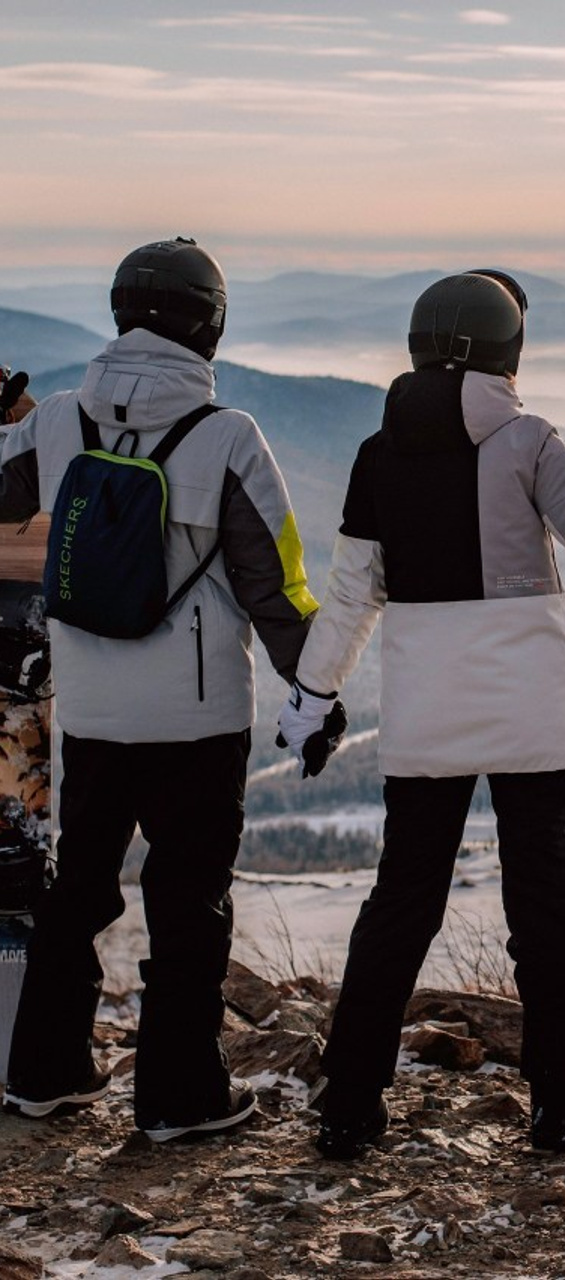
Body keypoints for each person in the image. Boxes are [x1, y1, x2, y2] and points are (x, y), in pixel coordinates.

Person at [276, 270, 565, 1159]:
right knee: (544, 907)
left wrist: (312, 697)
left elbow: (349, 600)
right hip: (529, 718)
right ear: (506, 352)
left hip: (425, 720)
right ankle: (560, 1106)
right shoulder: (528, 442)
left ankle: (348, 1104)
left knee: (402, 905)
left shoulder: (377, 458)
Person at [0, 237, 323, 1142]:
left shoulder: (58, 419)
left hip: (94, 715)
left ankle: (42, 1075)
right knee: (188, 904)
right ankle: (181, 1098)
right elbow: (278, 587)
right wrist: (317, 690)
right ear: (208, 324)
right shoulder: (229, 439)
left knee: (79, 894)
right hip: (198, 719)